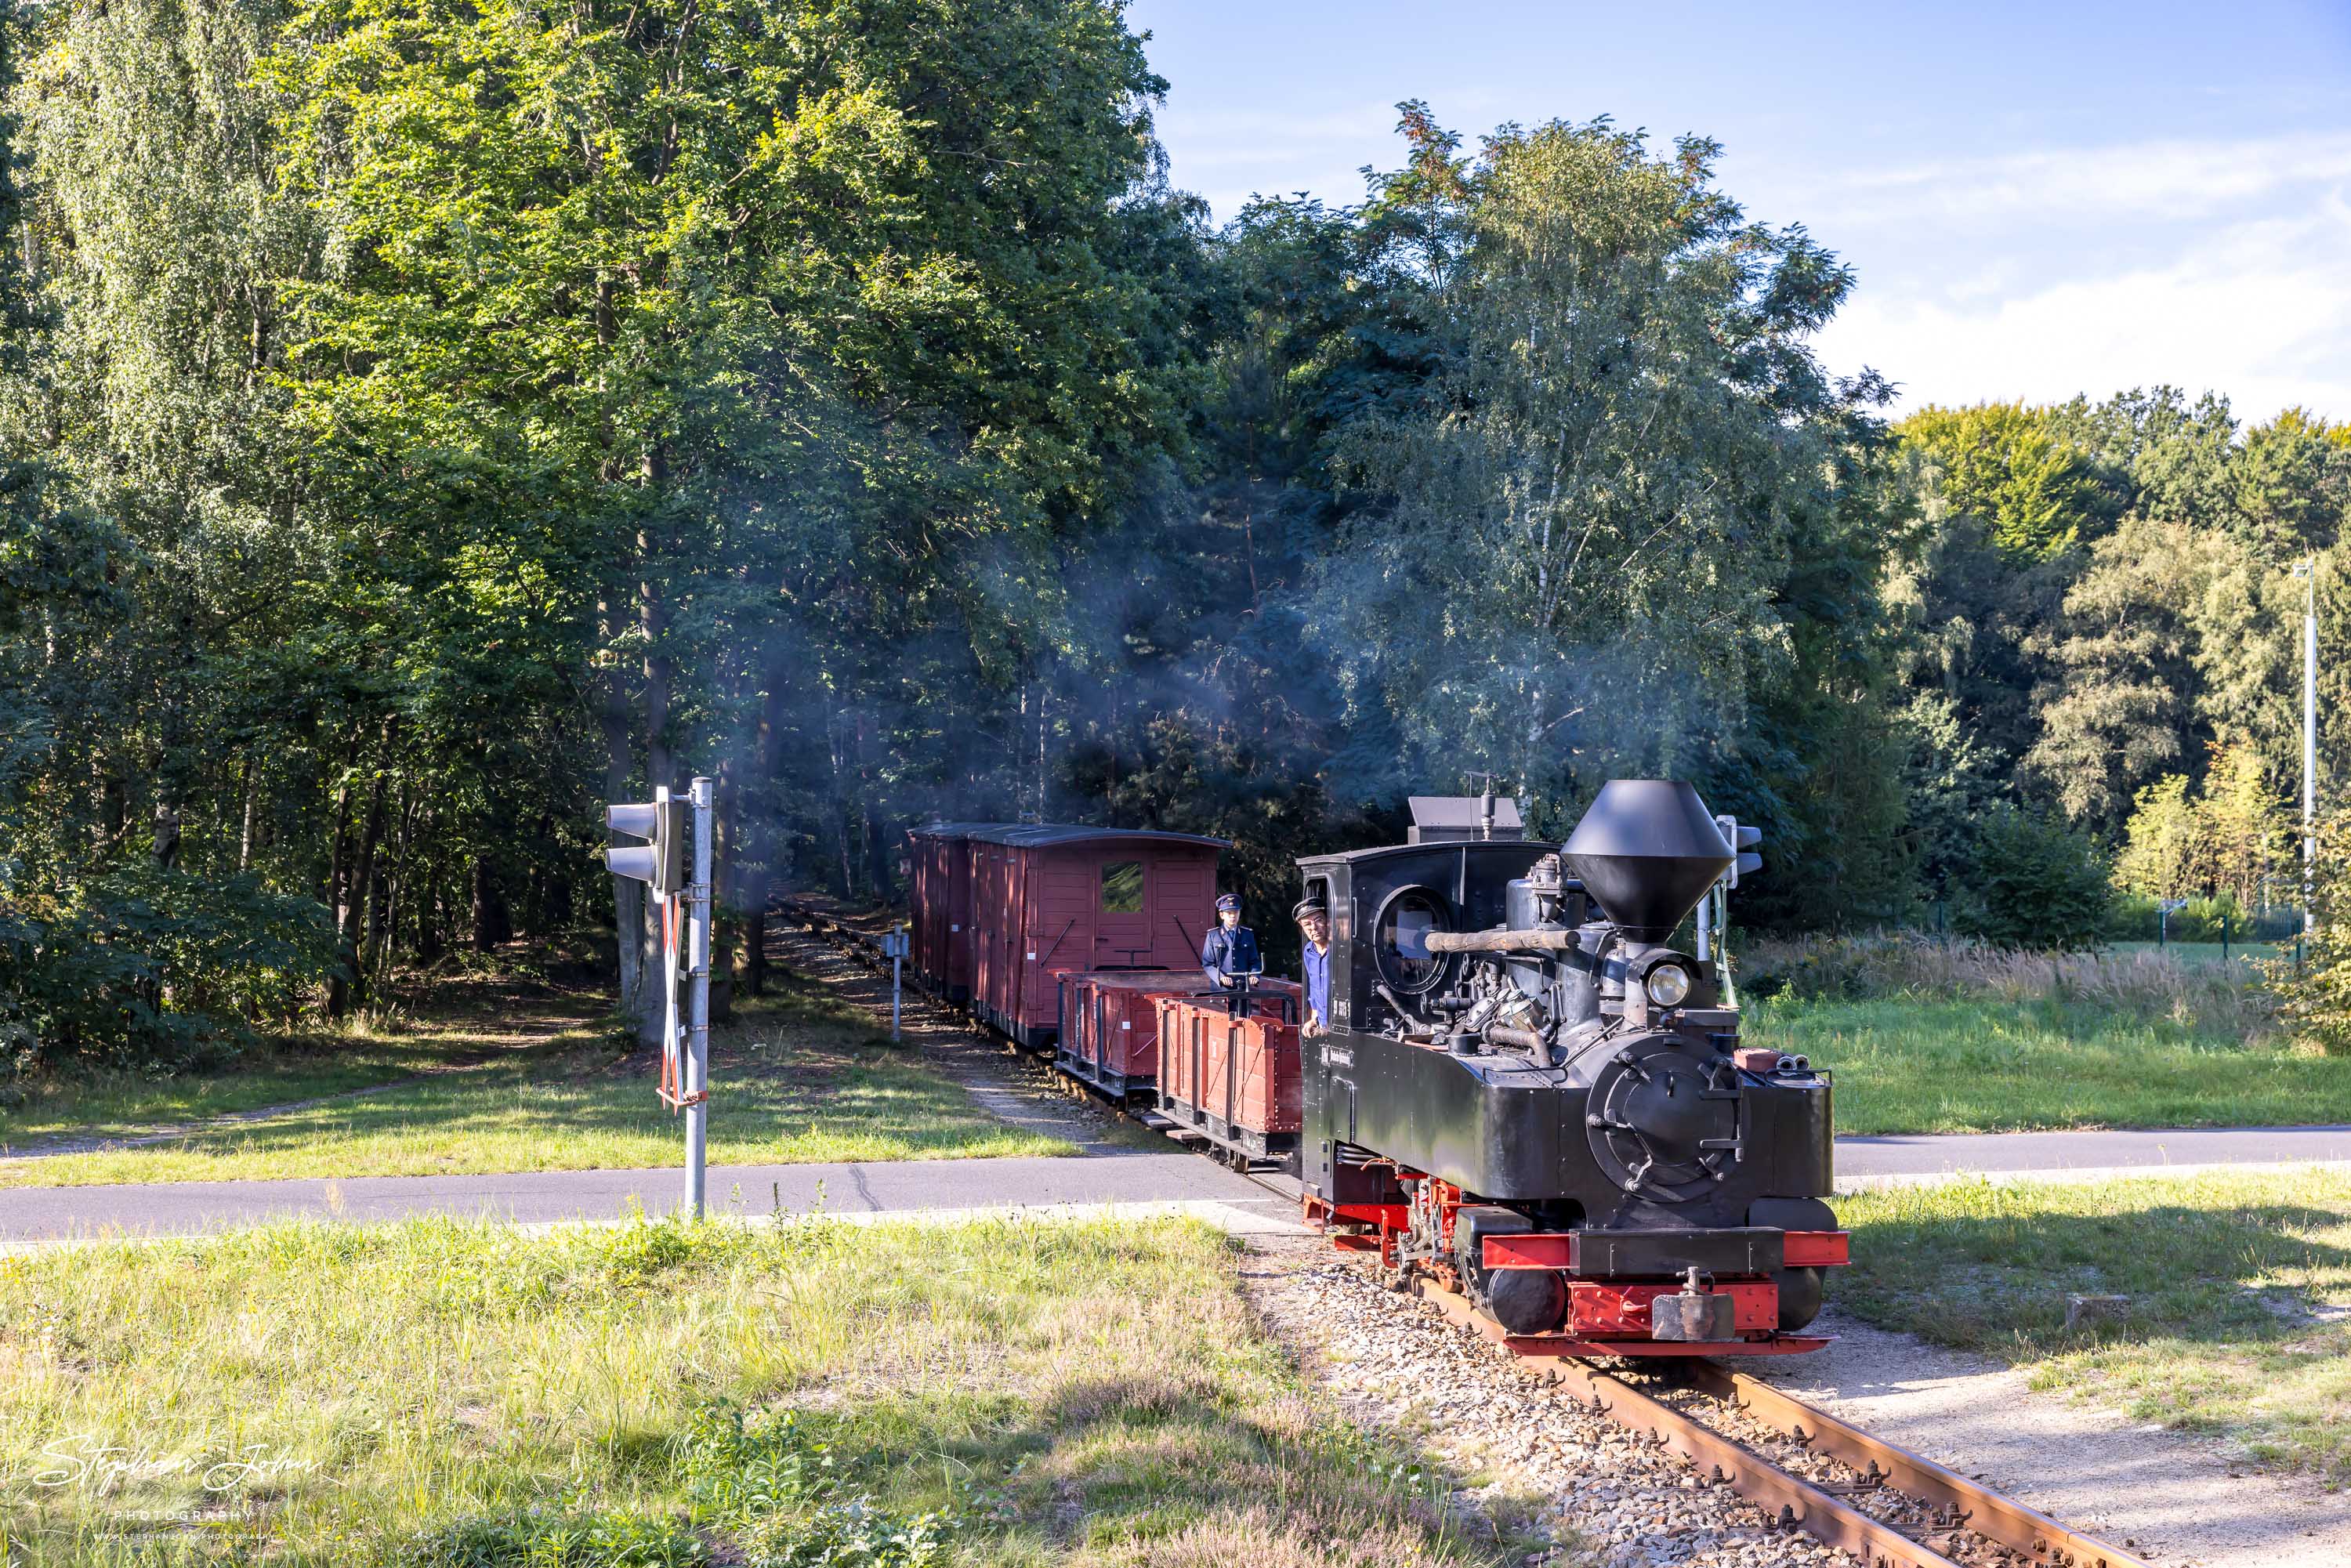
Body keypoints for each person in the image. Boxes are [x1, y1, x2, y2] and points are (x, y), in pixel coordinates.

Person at [1200, 893, 1259, 994]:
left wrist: (1254, 975)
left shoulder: (1247, 934)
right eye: (1229, 913)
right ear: (1222, 915)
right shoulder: (1213, 935)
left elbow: (1254, 961)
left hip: (1243, 988)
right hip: (1221, 989)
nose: (1233, 916)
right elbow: (1208, 964)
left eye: (1236, 912)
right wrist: (1221, 977)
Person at [1295, 897, 1331, 1034]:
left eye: (1318, 920)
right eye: (1307, 924)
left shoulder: (1341, 950)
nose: (1314, 928)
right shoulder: (1308, 952)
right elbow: (1314, 988)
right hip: (1322, 1027)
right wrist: (1314, 1019)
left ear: (1328, 921)